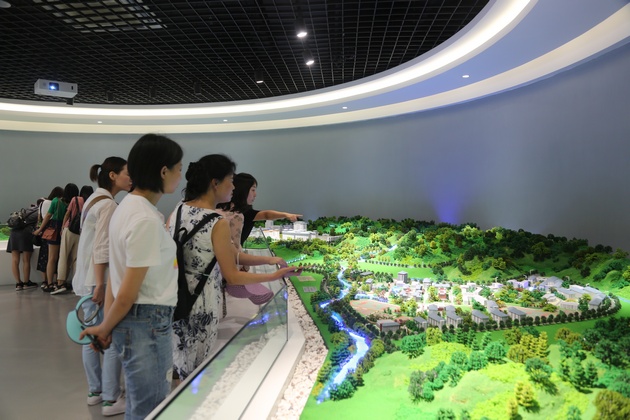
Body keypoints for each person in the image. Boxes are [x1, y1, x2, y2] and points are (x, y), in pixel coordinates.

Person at [167, 155, 301, 381]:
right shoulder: (216, 221)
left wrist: (270, 261)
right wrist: (273, 275)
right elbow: (232, 275)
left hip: (178, 298)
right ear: (215, 183)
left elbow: (230, 255)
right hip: (201, 304)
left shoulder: (179, 209)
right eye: (230, 180)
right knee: (197, 372)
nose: (233, 187)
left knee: (181, 364)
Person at [80, 134, 183, 420]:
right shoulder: (144, 219)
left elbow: (116, 275)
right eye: (178, 169)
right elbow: (127, 291)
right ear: (163, 171)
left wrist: (109, 324)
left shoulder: (128, 208)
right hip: (147, 322)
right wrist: (105, 327)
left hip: (139, 322)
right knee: (150, 407)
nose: (181, 176)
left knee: (141, 405)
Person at [73, 158, 131, 416]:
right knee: (111, 335)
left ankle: (95, 391)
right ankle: (110, 398)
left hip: (88, 278)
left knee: (91, 336)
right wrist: (100, 284)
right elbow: (101, 247)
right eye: (127, 173)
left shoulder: (93, 200)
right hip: (101, 280)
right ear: (112, 175)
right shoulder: (107, 204)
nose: (131, 178)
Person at [217, 172, 302, 304]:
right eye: (253, 190)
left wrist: (286, 215)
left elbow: (267, 214)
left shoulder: (233, 212)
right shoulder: (233, 216)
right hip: (229, 268)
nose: (255, 194)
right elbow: (233, 254)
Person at [34, 183, 77, 293]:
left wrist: (40, 229)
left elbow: (48, 215)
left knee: (52, 258)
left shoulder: (56, 201)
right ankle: (61, 282)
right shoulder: (72, 203)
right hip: (67, 229)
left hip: (54, 228)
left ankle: (50, 283)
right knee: (64, 258)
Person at [53, 185, 92, 294]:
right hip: (80, 232)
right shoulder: (89, 202)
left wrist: (62, 227)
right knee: (76, 259)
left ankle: (60, 283)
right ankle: (76, 284)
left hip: (69, 229)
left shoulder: (76, 199)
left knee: (63, 256)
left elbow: (67, 213)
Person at [7, 201, 39, 291]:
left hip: (14, 234)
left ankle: (18, 283)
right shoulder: (38, 212)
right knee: (26, 260)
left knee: (15, 260)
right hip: (25, 234)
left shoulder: (25, 210)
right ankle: (26, 282)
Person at [36, 186, 63, 289]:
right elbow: (49, 215)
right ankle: (55, 281)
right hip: (54, 230)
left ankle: (46, 281)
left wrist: (39, 229)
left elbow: (41, 217)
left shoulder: (42, 203)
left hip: (46, 232)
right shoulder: (57, 202)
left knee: (45, 257)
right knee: (54, 258)